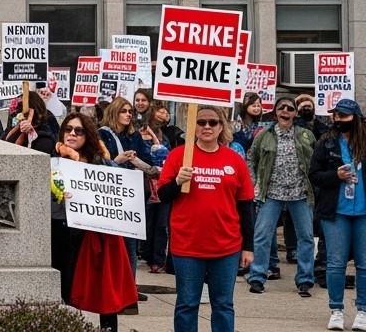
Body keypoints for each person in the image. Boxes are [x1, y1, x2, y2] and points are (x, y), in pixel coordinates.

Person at [156, 105, 255, 332]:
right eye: (201, 122)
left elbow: (246, 206)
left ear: (222, 127)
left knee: (223, 305)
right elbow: (162, 196)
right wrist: (177, 182)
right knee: (187, 304)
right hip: (187, 246)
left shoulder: (234, 160)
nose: (207, 127)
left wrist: (248, 247)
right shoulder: (179, 156)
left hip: (226, 247)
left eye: (213, 122)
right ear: (193, 127)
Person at [51, 112, 136, 331]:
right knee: (66, 291)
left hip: (96, 234)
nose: (71, 134)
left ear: (87, 135)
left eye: (78, 130)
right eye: (67, 129)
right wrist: (57, 194)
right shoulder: (53, 162)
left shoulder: (103, 164)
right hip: (62, 230)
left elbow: (125, 189)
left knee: (104, 292)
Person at [246, 95, 317, 298]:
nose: (285, 111)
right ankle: (258, 276)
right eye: (281, 108)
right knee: (261, 236)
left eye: (290, 108)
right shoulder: (264, 135)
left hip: (300, 193)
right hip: (271, 193)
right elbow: (252, 160)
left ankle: (304, 280)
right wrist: (255, 184)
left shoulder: (305, 135)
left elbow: (315, 161)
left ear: (295, 113)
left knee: (306, 237)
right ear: (275, 112)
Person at [309, 98, 366, 331]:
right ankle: (337, 310)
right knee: (335, 263)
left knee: (363, 264)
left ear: (356, 118)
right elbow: (314, 174)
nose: (338, 119)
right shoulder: (326, 142)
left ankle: (362, 310)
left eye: (343, 116)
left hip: (363, 212)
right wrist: (336, 175)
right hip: (335, 211)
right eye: (336, 115)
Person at [99, 96, 156, 286]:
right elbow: (99, 163)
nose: (128, 115)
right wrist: (118, 160)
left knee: (131, 244)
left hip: (132, 194)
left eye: (130, 112)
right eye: (123, 111)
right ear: (114, 112)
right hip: (112, 193)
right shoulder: (103, 134)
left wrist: (137, 158)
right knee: (115, 244)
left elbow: (148, 160)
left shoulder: (135, 135)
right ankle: (114, 287)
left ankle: (129, 287)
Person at [140, 100, 183, 273]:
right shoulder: (142, 132)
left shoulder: (167, 134)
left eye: (166, 112)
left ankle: (157, 258)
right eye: (160, 112)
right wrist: (152, 168)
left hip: (163, 183)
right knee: (150, 223)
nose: (164, 115)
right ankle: (150, 255)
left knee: (161, 224)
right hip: (148, 183)